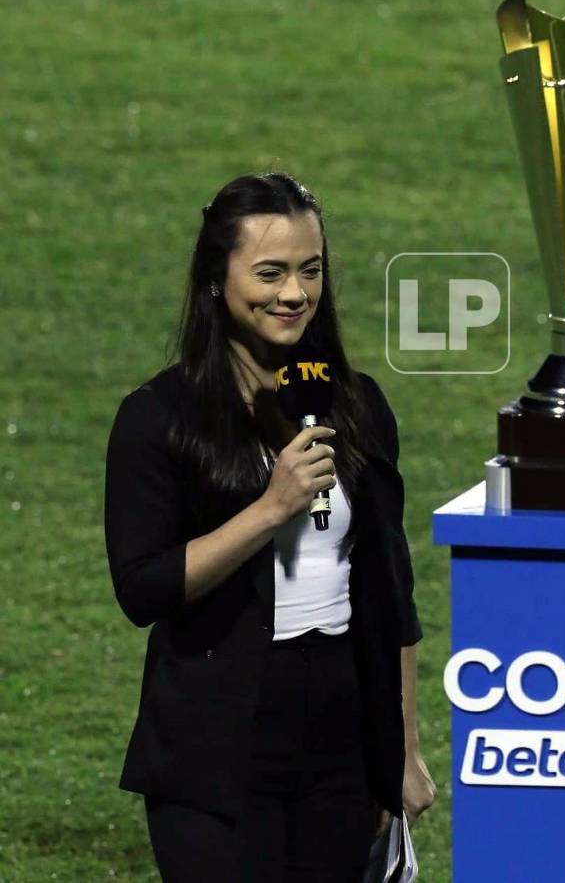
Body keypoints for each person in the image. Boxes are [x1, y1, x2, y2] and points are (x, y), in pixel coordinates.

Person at [103, 171, 436, 881]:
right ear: (216, 280)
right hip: (216, 738)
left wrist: (401, 749)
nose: (294, 293)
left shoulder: (358, 406)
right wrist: (270, 509)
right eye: (270, 272)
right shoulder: (158, 418)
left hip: (341, 730)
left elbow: (390, 591)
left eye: (310, 271)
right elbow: (143, 589)